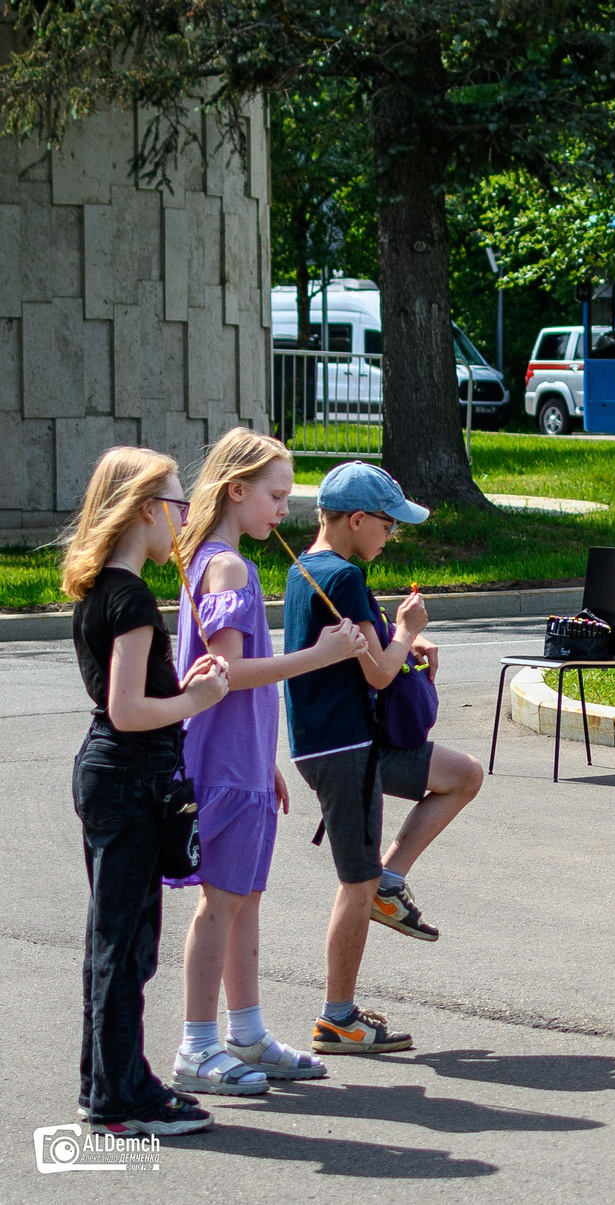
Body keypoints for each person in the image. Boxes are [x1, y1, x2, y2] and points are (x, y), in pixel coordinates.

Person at [169, 430, 368, 1097]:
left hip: (241, 761)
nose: (284, 509)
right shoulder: (226, 566)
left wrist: (265, 759)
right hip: (224, 764)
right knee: (221, 903)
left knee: (244, 899)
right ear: (237, 490)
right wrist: (322, 654)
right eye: (276, 495)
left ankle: (245, 1031)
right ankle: (198, 1045)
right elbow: (225, 672)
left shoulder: (222, 561)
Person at [282, 463, 484, 1056]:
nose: (390, 537)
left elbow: (368, 659)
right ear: (357, 519)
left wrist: (399, 643)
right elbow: (377, 669)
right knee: (354, 883)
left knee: (461, 775)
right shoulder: (341, 577)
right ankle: (337, 1018)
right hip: (345, 749)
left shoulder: (307, 569)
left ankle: (389, 882)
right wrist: (407, 628)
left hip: (348, 744)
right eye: (388, 526)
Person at [66, 447, 228, 1138]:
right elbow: (126, 708)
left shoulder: (103, 587)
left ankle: (112, 1082)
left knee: (118, 937)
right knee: (123, 941)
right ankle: (117, 1097)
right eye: (176, 502)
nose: (184, 516)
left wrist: (182, 679)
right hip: (128, 774)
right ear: (143, 509)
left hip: (112, 774)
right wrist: (197, 696)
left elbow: (128, 695)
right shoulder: (131, 596)